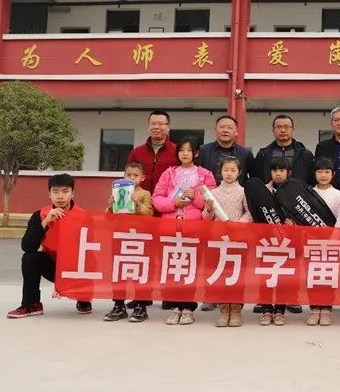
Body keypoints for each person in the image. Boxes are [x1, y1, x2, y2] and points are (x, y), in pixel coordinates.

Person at [6, 174, 92, 319]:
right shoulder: (40, 215)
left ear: (72, 193)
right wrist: (46, 222)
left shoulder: (84, 216)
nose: (60, 196)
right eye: (55, 191)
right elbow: (27, 246)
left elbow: (93, 251)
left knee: (91, 261)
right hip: (53, 265)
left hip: (76, 268)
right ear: (49, 194)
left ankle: (83, 298)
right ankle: (31, 304)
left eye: (65, 191)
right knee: (30, 258)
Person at [152, 136, 217, 325]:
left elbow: (211, 202)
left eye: (189, 150)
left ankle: (188, 307)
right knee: (172, 266)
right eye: (181, 150)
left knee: (191, 268)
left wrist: (194, 197)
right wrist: (174, 203)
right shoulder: (168, 173)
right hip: (170, 229)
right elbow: (157, 198)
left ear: (196, 153)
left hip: (194, 229)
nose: (185, 154)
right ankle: (174, 307)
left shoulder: (205, 175)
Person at [201, 156, 252, 327]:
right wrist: (209, 209)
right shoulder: (213, 193)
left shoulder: (243, 191)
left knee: (237, 274)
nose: (229, 173)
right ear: (220, 172)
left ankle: (236, 309)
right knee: (221, 273)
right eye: (225, 170)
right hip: (218, 240)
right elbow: (206, 218)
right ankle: (223, 309)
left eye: (233, 170)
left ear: (239, 173)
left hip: (238, 239)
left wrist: (238, 224)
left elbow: (249, 213)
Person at [103, 162, 154, 323]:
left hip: (139, 238)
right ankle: (118, 305)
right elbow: (107, 218)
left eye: (135, 175)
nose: (132, 178)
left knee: (141, 272)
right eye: (128, 175)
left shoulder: (145, 194)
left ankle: (141, 306)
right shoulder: (117, 192)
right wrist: (110, 207)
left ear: (142, 177)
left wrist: (137, 204)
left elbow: (150, 214)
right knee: (118, 272)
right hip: (120, 236)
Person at [307, 157, 340, 327]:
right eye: (319, 171)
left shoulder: (339, 195)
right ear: (314, 174)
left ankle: (326, 310)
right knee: (313, 276)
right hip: (313, 242)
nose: (323, 175)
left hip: (331, 243)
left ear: (333, 174)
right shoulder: (308, 193)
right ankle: (314, 309)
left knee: (328, 275)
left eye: (327, 172)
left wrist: (333, 239)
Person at [261, 157, 293, 326]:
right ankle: (266, 309)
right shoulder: (264, 190)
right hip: (266, 240)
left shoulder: (294, 191)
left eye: (281, 170)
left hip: (286, 241)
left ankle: (280, 310)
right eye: (274, 170)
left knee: (283, 277)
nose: (278, 174)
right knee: (265, 275)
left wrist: (293, 222)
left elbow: (299, 213)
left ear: (289, 173)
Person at [126, 110, 179, 194]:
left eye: (160, 124)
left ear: (168, 127)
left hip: (167, 200)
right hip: (139, 200)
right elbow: (127, 176)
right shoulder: (137, 152)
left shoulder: (177, 151)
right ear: (149, 126)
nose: (156, 127)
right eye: (153, 124)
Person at [254, 114, 315, 186]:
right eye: (278, 127)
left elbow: (311, 181)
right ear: (273, 130)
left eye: (286, 127)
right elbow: (257, 181)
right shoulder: (263, 154)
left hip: (298, 192)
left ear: (293, 130)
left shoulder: (305, 154)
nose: (283, 130)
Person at [199, 115, 255, 185]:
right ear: (215, 130)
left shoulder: (245, 153)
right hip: (209, 191)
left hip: (237, 191)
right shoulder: (204, 150)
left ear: (236, 132)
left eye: (230, 128)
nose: (225, 130)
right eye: (222, 127)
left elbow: (253, 178)